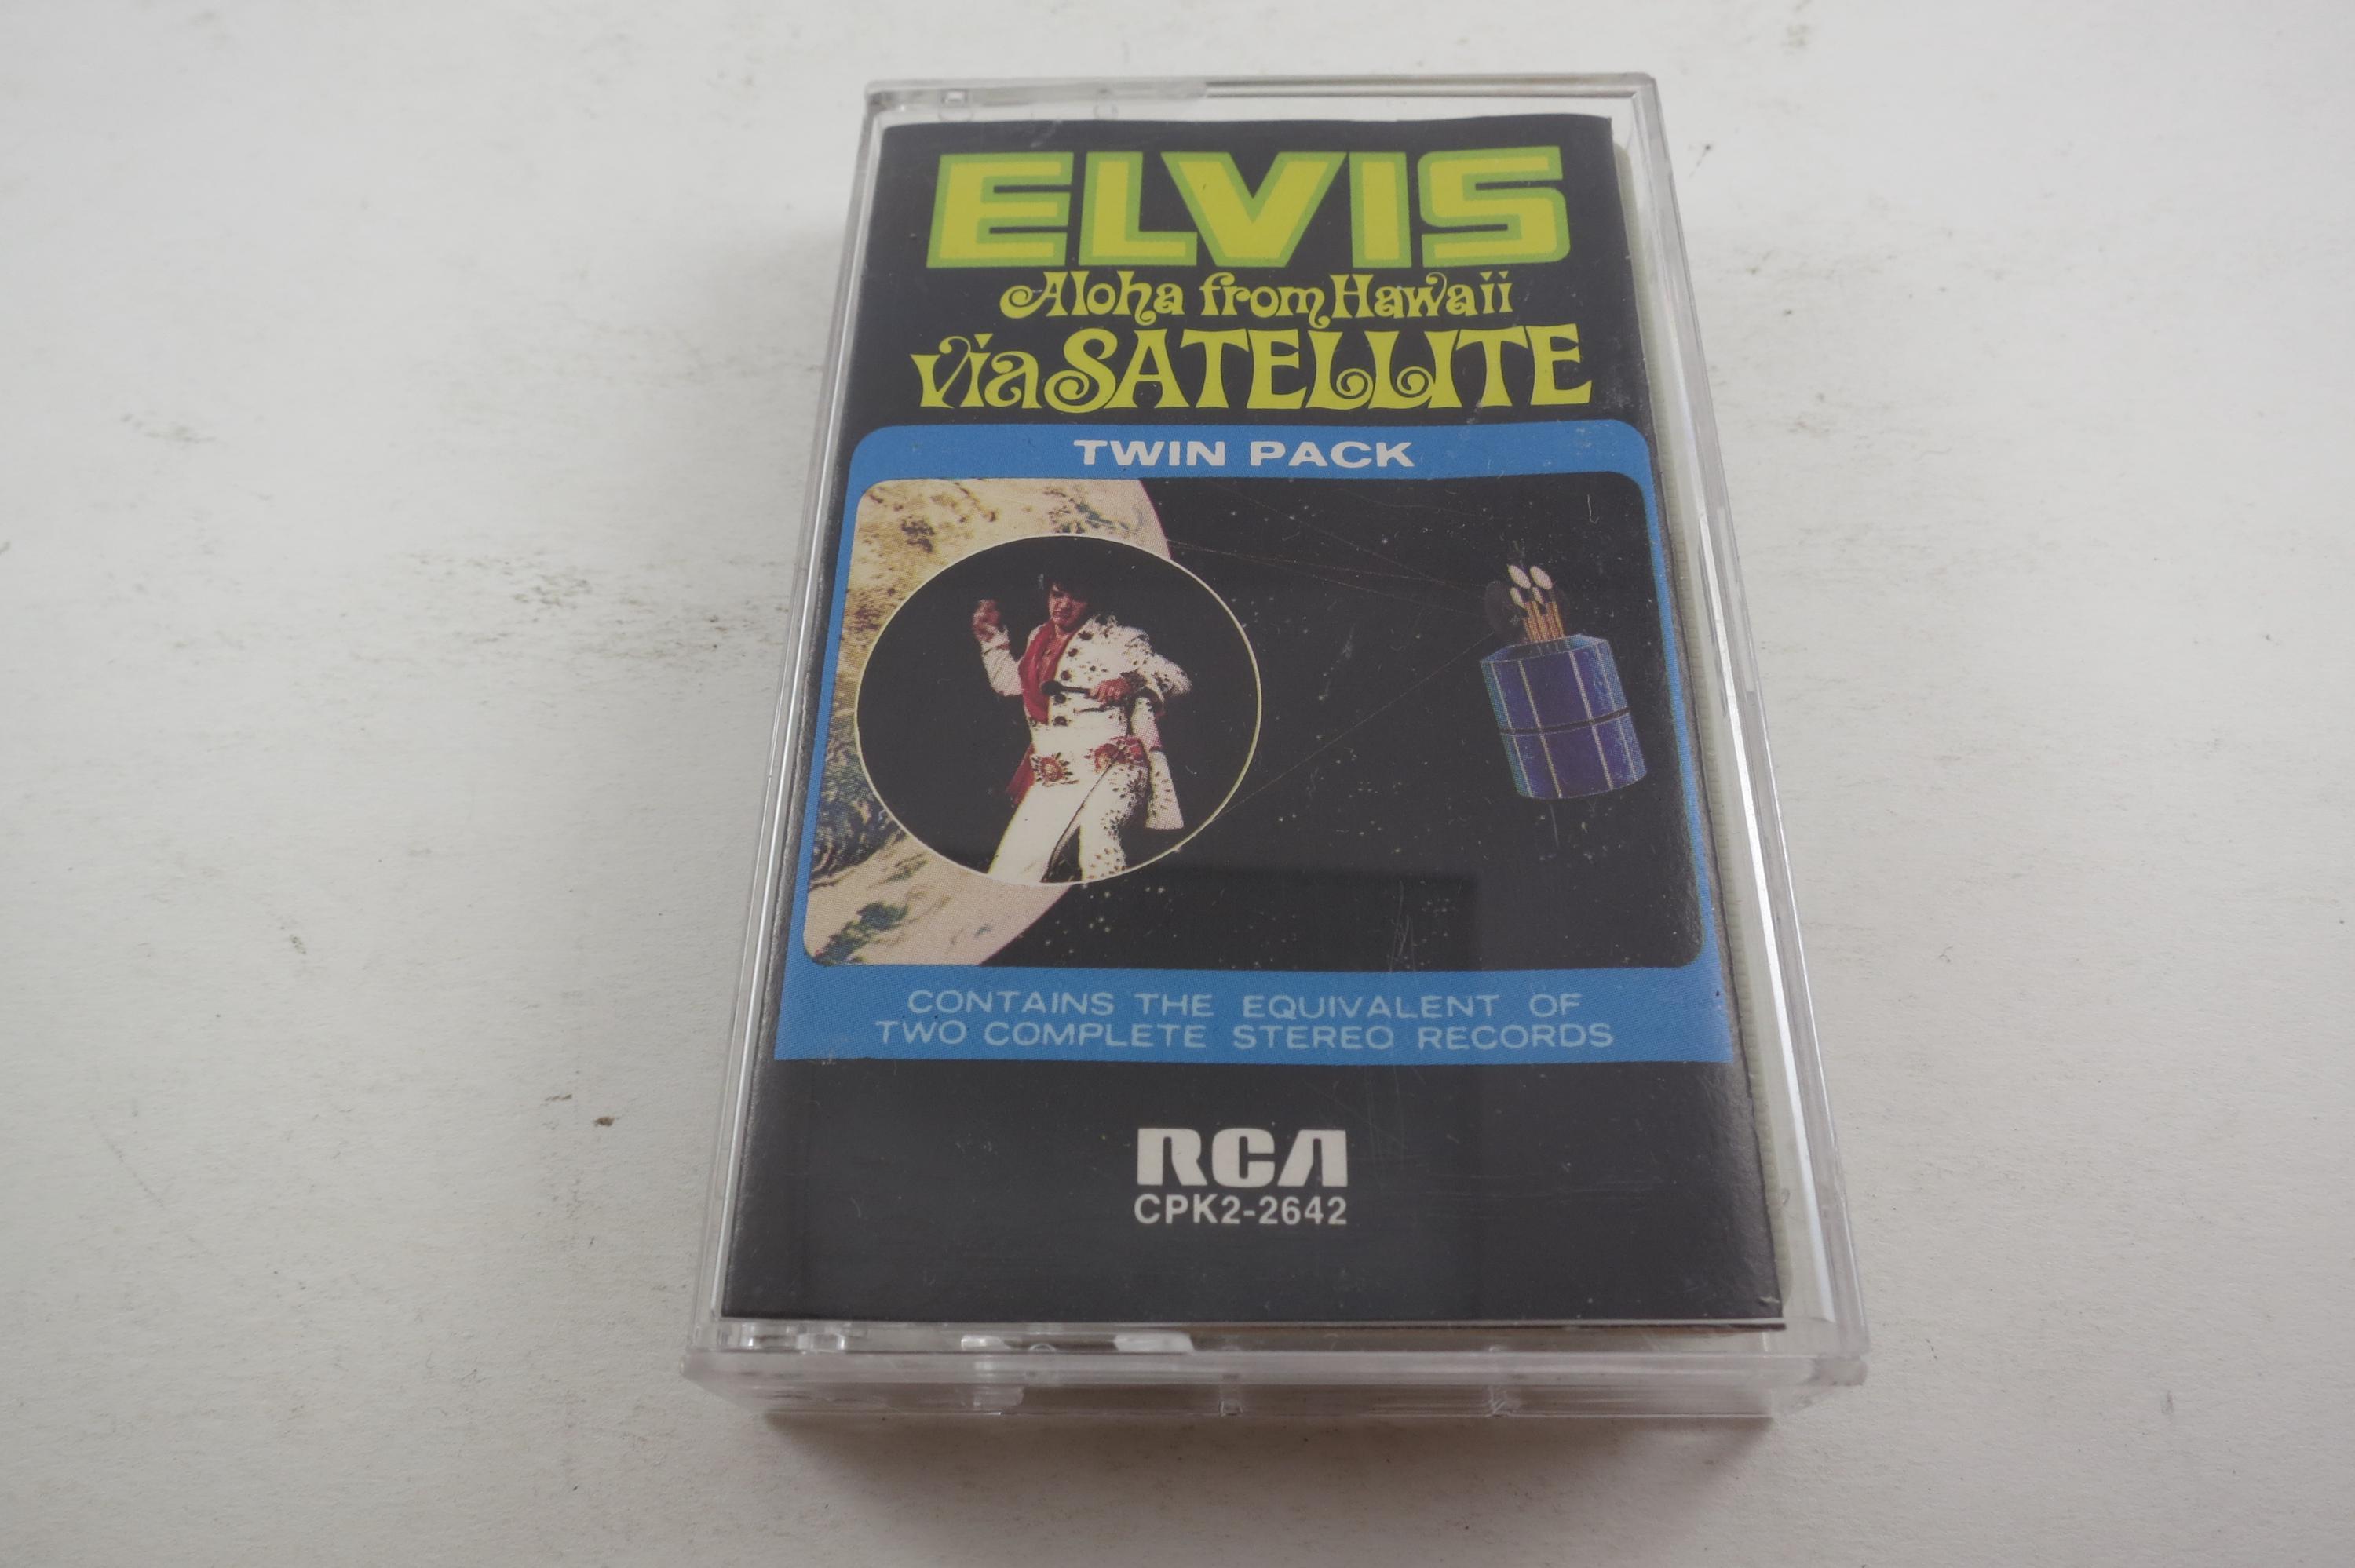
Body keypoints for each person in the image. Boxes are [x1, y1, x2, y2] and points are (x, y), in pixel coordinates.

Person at [971, 567, 1189, 881]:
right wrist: (992, 640)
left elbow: (1178, 679)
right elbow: (1010, 684)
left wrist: (1130, 682)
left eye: (1077, 598)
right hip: (1055, 777)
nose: (1064, 605)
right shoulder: (1038, 637)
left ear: (1093, 601)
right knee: (1012, 871)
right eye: (1057, 595)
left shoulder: (1120, 638)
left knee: (1098, 839)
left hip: (1113, 767)